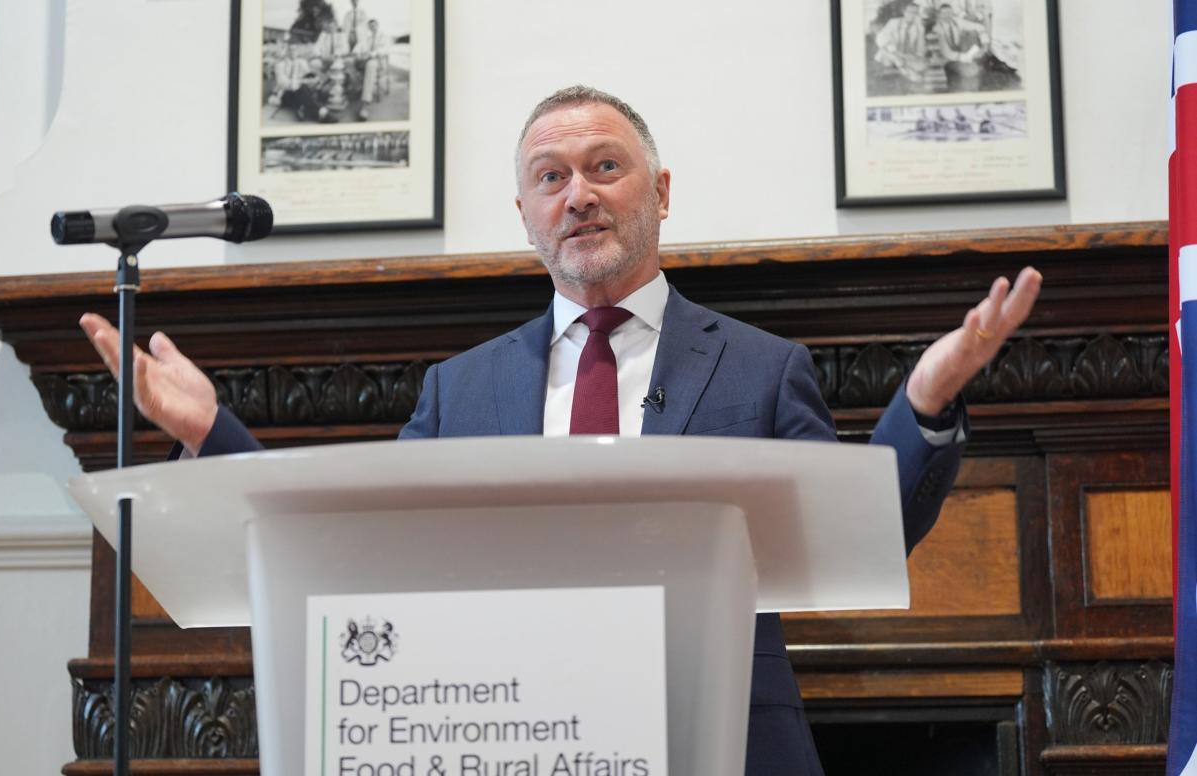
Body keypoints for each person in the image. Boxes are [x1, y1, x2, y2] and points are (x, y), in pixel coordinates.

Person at [80, 86, 1041, 775]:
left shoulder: (759, 366)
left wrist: (920, 404)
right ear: (525, 215)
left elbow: (859, 533)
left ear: (659, 192)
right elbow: (354, 549)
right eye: (550, 176)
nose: (576, 192)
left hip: (721, 739)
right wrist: (215, 434)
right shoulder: (460, 389)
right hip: (509, 735)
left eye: (603, 166)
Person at [873, 3, 928, 83]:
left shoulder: (919, 27)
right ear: (904, 12)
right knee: (889, 59)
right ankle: (908, 72)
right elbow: (881, 39)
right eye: (910, 12)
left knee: (922, 66)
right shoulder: (893, 23)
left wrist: (918, 56)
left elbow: (921, 45)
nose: (912, 15)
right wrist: (895, 54)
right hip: (891, 53)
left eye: (915, 12)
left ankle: (898, 69)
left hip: (907, 55)